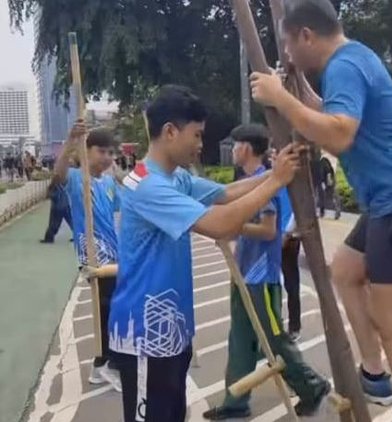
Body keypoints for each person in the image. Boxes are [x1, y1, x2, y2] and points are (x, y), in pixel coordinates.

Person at [249, 1, 392, 421]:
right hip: (389, 203)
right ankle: (374, 373)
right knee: (345, 269)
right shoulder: (354, 59)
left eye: (288, 43)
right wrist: (295, 93)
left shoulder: (344, 65)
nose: (287, 54)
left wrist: (282, 98)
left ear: (307, 36)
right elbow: (327, 114)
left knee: (389, 315)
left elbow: (339, 135)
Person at [108, 85, 304, 422]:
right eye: (197, 135)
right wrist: (274, 183)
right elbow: (220, 223)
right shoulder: (147, 186)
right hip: (144, 336)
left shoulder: (174, 177)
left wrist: (274, 174)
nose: (201, 145)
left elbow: (225, 194)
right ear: (170, 131)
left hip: (172, 331)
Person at [203, 124, 329, 420]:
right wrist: (228, 230)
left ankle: (313, 386)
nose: (232, 150)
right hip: (243, 276)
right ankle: (235, 403)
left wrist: (233, 226)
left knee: (274, 338)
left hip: (263, 279)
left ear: (245, 148)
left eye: (235, 145)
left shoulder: (265, 183)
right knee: (240, 341)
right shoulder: (250, 182)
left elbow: (269, 230)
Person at [54, 123, 122, 393]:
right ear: (86, 151)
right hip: (93, 252)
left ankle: (101, 365)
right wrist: (71, 140)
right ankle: (108, 364)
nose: (106, 157)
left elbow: (121, 206)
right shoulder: (75, 178)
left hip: (113, 251)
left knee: (110, 309)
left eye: (110, 152)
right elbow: (57, 176)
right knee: (109, 308)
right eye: (101, 151)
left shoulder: (107, 181)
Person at [278, 188, 303, 342]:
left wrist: (287, 234)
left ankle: (294, 327)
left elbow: (299, 210)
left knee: (292, 285)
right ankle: (275, 328)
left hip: (289, 240)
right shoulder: (269, 178)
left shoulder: (294, 184)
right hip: (271, 235)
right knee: (271, 284)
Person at [40, 179, 73, 243]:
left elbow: (51, 195)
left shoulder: (55, 185)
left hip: (57, 207)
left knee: (53, 223)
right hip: (65, 205)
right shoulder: (65, 184)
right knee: (71, 221)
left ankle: (49, 238)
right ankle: (78, 236)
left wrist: (51, 194)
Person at [310, 149, 341, 219]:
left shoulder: (323, 161)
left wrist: (329, 180)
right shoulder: (319, 162)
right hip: (321, 181)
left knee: (327, 195)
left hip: (324, 180)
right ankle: (322, 212)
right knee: (319, 196)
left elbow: (328, 171)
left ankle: (333, 211)